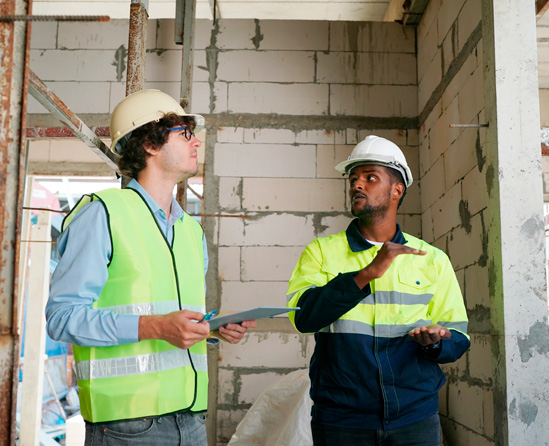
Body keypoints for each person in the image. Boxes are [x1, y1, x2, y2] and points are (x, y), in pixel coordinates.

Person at [46, 89, 256, 445]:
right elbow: (62, 318)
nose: (196, 143)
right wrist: (153, 326)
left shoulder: (191, 231)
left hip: (190, 421)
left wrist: (214, 327)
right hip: (127, 427)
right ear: (150, 143)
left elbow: (172, 315)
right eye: (185, 133)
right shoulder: (103, 214)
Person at [286, 135, 470, 446]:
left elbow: (459, 336)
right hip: (342, 420)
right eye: (354, 178)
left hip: (415, 419)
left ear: (397, 190)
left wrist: (435, 343)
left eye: (370, 177)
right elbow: (304, 319)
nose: (357, 185)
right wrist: (366, 274)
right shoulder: (320, 251)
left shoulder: (432, 259)